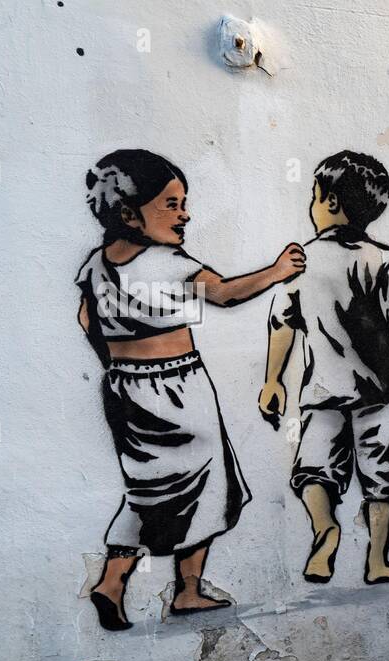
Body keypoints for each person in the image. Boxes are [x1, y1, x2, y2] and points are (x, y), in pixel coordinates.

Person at [77, 149, 305, 631]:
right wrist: (277, 271)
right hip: (177, 386)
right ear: (129, 214)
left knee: (148, 489)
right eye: (171, 204)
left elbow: (87, 319)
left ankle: (114, 581)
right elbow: (223, 293)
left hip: (123, 388)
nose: (184, 214)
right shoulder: (164, 261)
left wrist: (116, 364)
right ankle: (187, 590)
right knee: (206, 485)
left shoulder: (97, 263)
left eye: (184, 203)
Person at [260, 151, 389, 585]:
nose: (311, 205)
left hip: (321, 392)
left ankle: (324, 529)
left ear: (330, 203)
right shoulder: (383, 260)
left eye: (314, 196)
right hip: (378, 392)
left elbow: (282, 325)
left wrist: (273, 381)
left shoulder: (301, 262)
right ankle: (378, 560)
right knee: (381, 480)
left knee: (313, 470)